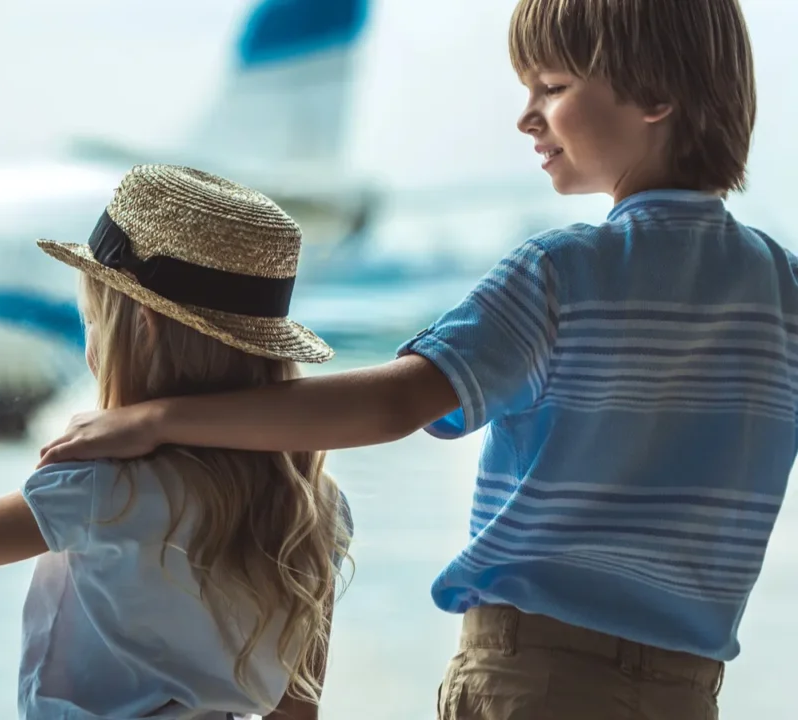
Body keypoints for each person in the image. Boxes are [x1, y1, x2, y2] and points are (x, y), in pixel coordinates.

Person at [38, 1, 777, 718]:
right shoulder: (785, 288)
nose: (526, 117)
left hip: (539, 675)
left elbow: (393, 405)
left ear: (654, 96)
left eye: (551, 89)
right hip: (687, 687)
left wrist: (163, 420)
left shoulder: (564, 270)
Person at [0, 164, 354, 720]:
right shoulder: (315, 505)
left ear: (142, 328)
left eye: (93, 322)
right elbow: (297, 709)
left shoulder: (106, 484)